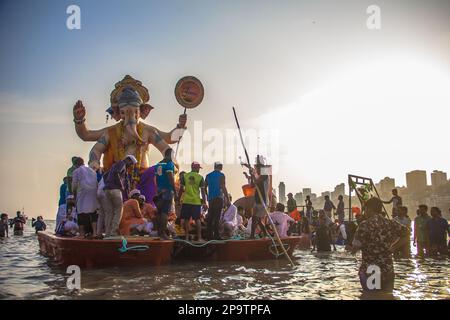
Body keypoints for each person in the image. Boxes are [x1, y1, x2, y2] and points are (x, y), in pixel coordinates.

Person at [351, 197, 409, 292]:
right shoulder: (390, 223)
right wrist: (394, 247)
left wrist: (351, 250)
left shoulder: (365, 225)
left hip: (371, 269)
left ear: (369, 209)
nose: (364, 212)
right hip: (387, 268)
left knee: (371, 297)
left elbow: (355, 248)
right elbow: (406, 234)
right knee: (387, 296)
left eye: (365, 209)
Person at [103, 154, 137, 237]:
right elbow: (117, 173)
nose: (131, 165)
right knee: (119, 210)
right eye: (131, 163)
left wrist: (108, 183)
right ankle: (113, 232)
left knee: (109, 212)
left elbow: (105, 176)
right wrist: (121, 185)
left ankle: (107, 233)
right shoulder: (122, 164)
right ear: (128, 160)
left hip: (107, 190)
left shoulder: (114, 165)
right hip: (115, 190)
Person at [178, 161, 207, 241]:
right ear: (196, 168)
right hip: (196, 201)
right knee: (197, 219)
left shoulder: (185, 176)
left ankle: (187, 237)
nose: (199, 170)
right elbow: (203, 191)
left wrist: (178, 199)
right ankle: (199, 237)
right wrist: (204, 202)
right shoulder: (200, 177)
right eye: (198, 168)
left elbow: (181, 189)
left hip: (186, 200)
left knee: (186, 219)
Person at [72, 157, 99, 237]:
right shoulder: (92, 171)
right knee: (93, 212)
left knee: (81, 212)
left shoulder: (76, 171)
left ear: (76, 164)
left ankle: (81, 233)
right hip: (93, 192)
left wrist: (74, 195)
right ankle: (94, 233)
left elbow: (74, 185)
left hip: (83, 192)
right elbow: (96, 182)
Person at [154, 148, 177, 240]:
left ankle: (159, 232)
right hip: (167, 190)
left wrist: (158, 189)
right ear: (170, 154)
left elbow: (156, 178)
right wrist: (174, 190)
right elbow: (170, 177)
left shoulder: (158, 164)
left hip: (159, 190)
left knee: (159, 212)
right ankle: (162, 233)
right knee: (165, 212)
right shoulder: (169, 163)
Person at [205, 161, 228, 240]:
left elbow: (204, 187)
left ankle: (209, 235)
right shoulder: (222, 175)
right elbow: (223, 186)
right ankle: (216, 235)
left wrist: (207, 195)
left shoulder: (208, 175)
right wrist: (227, 198)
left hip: (211, 199)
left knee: (210, 217)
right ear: (220, 167)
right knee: (217, 217)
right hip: (218, 198)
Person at [250, 162, 269, 239]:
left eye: (257, 169)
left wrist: (253, 175)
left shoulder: (264, 175)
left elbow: (256, 182)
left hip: (263, 201)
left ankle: (252, 236)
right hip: (257, 200)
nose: (256, 170)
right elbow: (252, 185)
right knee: (257, 219)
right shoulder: (259, 177)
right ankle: (265, 233)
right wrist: (252, 176)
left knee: (255, 218)